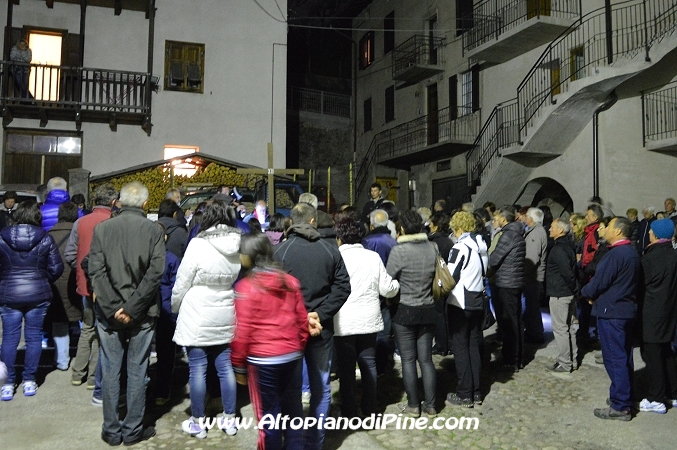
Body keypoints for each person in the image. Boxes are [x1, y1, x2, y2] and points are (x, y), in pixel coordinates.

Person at [89, 181, 164, 445]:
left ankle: (111, 429)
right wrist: (132, 308)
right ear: (145, 204)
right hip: (142, 313)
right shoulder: (153, 230)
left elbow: (95, 272)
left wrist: (112, 307)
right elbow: (155, 273)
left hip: (109, 313)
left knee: (110, 370)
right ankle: (132, 430)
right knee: (137, 370)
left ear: (118, 203)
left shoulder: (103, 229)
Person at [273, 202, 350, 450]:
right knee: (321, 388)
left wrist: (301, 316)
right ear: (313, 221)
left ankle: (294, 443)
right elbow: (343, 288)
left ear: (292, 222)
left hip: (290, 330)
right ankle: (315, 443)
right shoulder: (330, 250)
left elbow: (274, 293)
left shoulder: (280, 252)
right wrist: (318, 314)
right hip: (322, 328)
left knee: (292, 388)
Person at [232, 233, 311, 449]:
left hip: (262, 360)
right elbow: (302, 319)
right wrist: (299, 344)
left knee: (268, 417)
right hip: (291, 354)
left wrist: (238, 364)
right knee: (293, 413)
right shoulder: (290, 282)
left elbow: (242, 331)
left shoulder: (245, 288)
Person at [171, 200, 241, 439]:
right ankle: (230, 418)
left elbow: (183, 279)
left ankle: (198, 421)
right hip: (224, 306)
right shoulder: (235, 244)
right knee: (224, 366)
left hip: (198, 308)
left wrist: (175, 305)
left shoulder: (198, 243)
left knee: (198, 368)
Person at [333, 218, 399, 417]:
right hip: (368, 319)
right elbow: (387, 288)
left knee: (346, 368)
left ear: (339, 238)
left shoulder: (335, 257)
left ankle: (349, 410)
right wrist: (397, 285)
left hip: (343, 320)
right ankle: (369, 408)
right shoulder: (372, 257)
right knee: (368, 363)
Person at [0, 201, 63, 401]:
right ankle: (29, 380)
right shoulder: (46, 238)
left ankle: (8, 383)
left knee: (10, 338)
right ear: (37, 216)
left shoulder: (2, 237)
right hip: (38, 292)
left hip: (9, 293)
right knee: (34, 337)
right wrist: (43, 280)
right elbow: (56, 268)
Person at [581, 217, 640, 421]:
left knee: (615, 358)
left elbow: (599, 282)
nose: (602, 230)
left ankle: (621, 405)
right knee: (624, 357)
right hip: (624, 310)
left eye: (608, 227)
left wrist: (586, 293)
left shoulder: (616, 255)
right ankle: (624, 397)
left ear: (618, 231)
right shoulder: (631, 252)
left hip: (612, 312)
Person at [64, 183, 118, 393]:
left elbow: (70, 254)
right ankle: (95, 377)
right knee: (103, 331)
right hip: (108, 286)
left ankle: (78, 373)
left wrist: (80, 270)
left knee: (87, 329)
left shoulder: (80, 222)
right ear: (113, 202)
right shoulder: (114, 222)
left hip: (85, 283)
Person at [386, 210, 438, 418]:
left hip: (405, 308)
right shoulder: (433, 247)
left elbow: (388, 279)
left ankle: (413, 405)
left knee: (408, 360)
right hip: (428, 307)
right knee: (426, 360)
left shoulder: (399, 251)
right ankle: (432, 405)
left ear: (403, 229)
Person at [445, 211, 488, 408]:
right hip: (477, 299)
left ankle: (464, 393)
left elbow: (450, 276)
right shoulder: (481, 246)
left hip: (460, 302)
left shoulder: (460, 247)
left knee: (460, 348)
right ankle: (476, 391)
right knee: (473, 346)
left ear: (459, 228)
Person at [638, 219, 677, 414]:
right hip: (670, 311)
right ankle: (673, 392)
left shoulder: (651, 258)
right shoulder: (674, 254)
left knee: (652, 356)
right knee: (667, 353)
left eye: (651, 232)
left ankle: (656, 398)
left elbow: (639, 287)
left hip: (652, 313)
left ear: (655, 235)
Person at [488, 205, 526, 372]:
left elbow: (495, 259)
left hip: (507, 282)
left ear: (504, 219)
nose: (495, 221)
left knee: (510, 322)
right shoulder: (517, 233)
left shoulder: (508, 235)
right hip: (514, 281)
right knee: (515, 320)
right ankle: (517, 357)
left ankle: (512, 359)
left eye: (497, 218)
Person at [362, 209, 399, 375]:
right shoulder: (394, 241)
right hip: (390, 288)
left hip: (371, 289)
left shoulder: (367, 242)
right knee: (385, 328)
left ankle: (371, 363)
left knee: (371, 330)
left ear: (371, 224)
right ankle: (383, 362)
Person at [47, 202, 82, 371]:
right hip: (76, 280)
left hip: (55, 281)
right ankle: (84, 357)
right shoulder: (79, 233)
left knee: (59, 321)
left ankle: (61, 360)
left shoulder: (48, 235)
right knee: (84, 320)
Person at [546, 218, 579, 373]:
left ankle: (565, 363)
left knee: (560, 329)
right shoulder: (567, 246)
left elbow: (567, 273)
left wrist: (572, 288)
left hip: (560, 293)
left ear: (560, 230)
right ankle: (572, 360)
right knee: (569, 328)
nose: (549, 229)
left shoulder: (558, 249)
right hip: (566, 292)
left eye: (552, 227)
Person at [152, 222, 180, 406]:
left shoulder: (144, 257)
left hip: (144, 307)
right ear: (165, 238)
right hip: (166, 308)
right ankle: (162, 390)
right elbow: (176, 285)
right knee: (166, 352)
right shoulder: (171, 258)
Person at [428, 211, 453, 356]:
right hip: (447, 281)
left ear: (436, 226)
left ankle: (441, 344)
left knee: (439, 314)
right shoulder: (449, 241)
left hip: (437, 281)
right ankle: (448, 343)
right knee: (446, 313)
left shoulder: (433, 242)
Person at [523, 207, 547, 344]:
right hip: (532, 276)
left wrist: (523, 272)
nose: (525, 218)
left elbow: (532, 258)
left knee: (532, 306)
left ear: (531, 219)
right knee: (531, 305)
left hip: (533, 277)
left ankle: (536, 333)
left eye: (526, 216)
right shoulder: (536, 231)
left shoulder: (535, 233)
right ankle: (533, 331)